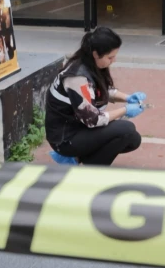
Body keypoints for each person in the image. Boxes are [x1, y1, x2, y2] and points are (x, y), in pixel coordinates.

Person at [45, 27, 145, 166]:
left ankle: (77, 159)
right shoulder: (77, 78)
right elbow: (93, 119)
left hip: (79, 127)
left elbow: (101, 91)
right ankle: (92, 168)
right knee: (126, 130)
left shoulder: (89, 64)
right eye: (110, 57)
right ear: (96, 54)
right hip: (65, 139)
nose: (113, 60)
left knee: (133, 139)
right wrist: (125, 110)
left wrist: (127, 97)